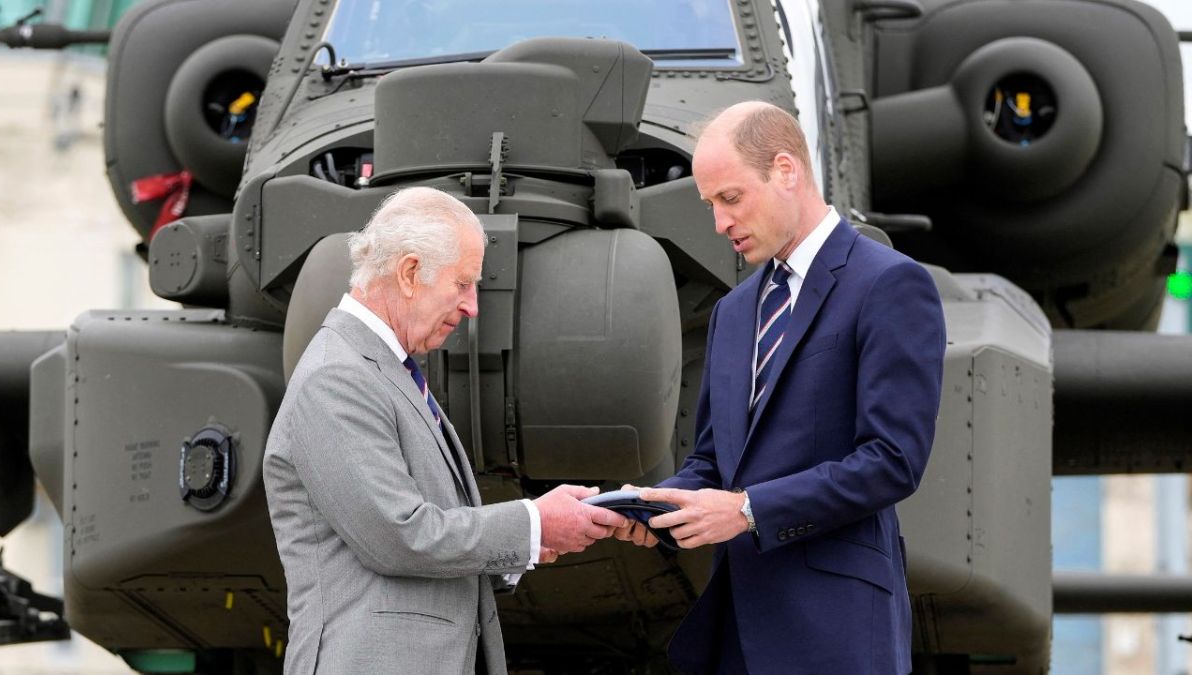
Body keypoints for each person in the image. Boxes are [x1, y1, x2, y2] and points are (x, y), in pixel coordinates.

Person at [617, 101, 946, 673]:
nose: (720, 224)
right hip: (735, 631)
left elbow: (893, 461)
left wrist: (747, 512)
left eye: (731, 198)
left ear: (786, 171)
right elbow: (715, 461)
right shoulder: (734, 311)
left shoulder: (890, 284)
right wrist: (654, 508)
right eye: (711, 205)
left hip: (835, 629)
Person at [264, 186, 628, 674]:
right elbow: (399, 537)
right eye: (463, 284)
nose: (473, 306)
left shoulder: (384, 372)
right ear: (410, 273)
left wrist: (535, 540)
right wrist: (534, 521)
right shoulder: (339, 376)